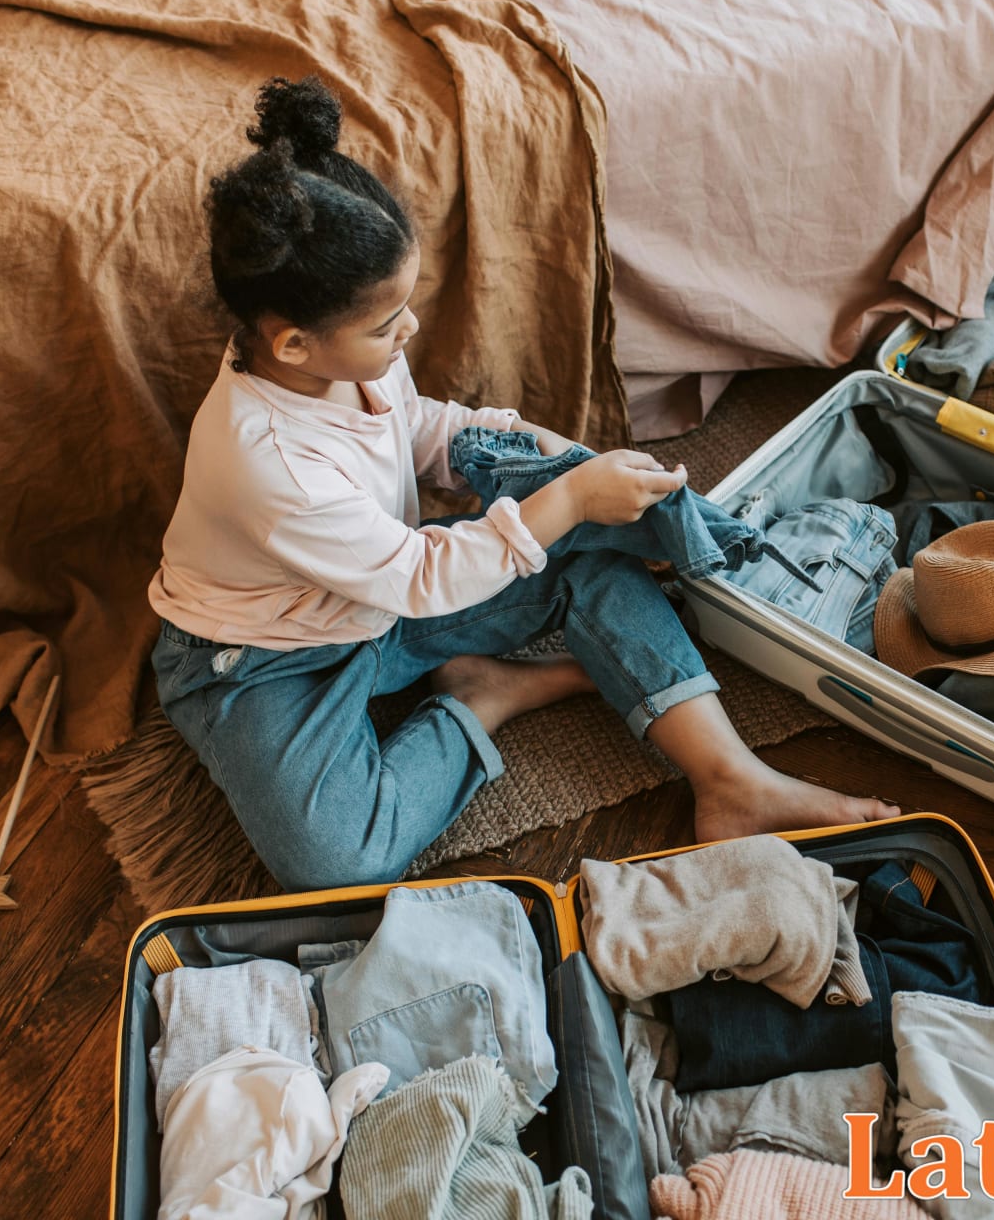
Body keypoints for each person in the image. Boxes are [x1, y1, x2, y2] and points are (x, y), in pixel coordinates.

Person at [148, 76, 895, 889]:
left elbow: (418, 428)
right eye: (384, 324)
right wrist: (568, 498)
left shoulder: (340, 365)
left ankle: (731, 779)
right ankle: (483, 699)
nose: (411, 329)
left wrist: (524, 455)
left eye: (408, 305)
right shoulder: (268, 462)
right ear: (293, 345)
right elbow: (423, 575)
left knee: (585, 556)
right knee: (333, 858)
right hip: (267, 657)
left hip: (380, 603)